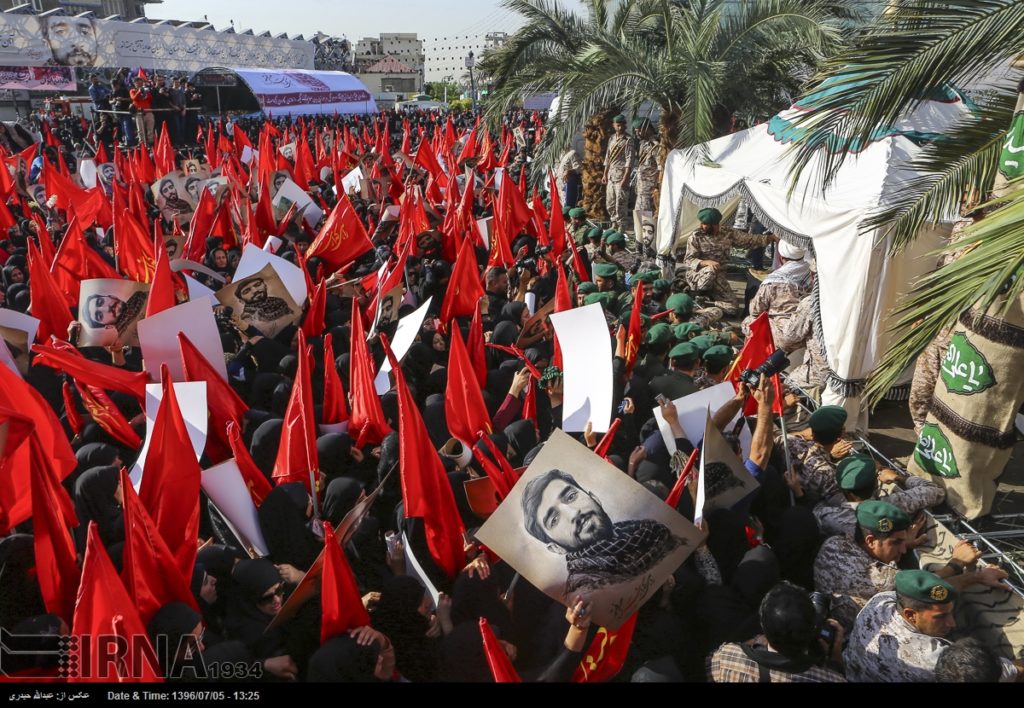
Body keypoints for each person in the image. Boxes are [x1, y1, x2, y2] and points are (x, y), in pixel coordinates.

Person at [520, 468, 687, 597]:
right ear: (556, 548)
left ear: (594, 498)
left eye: (571, 497)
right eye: (554, 520)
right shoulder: (585, 592)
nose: (573, 514)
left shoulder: (653, 533)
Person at [844, 570, 1020, 682]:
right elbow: (1009, 672)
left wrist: (977, 577)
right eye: (941, 617)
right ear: (910, 614)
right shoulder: (929, 659)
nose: (952, 623)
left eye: (951, 613)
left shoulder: (881, 601)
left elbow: (929, 594)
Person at [708, 581, 846, 682]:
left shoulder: (725, 658)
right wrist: (835, 659)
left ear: (763, 626)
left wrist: (754, 642)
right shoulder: (832, 679)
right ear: (813, 628)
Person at [812, 454, 945, 539]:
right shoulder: (892, 505)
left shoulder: (826, 515)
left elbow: (818, 508)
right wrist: (897, 477)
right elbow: (936, 492)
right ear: (876, 483)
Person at [683, 208, 775, 316]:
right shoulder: (695, 236)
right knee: (710, 270)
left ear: (715, 225)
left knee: (732, 309)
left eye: (705, 224)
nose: (701, 226)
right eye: (702, 223)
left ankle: (708, 304)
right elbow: (688, 260)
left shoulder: (727, 233)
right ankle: (697, 297)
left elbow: (749, 240)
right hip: (698, 276)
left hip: (719, 277)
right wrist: (707, 262)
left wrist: (770, 238)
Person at [742, 240, 814, 349]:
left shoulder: (773, 281)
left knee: (749, 320)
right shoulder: (812, 274)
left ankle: (753, 356)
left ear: (781, 257)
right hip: (804, 335)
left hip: (781, 337)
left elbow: (755, 310)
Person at [602, 115, 635, 233]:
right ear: (614, 125)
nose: (620, 127)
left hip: (621, 175)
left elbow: (629, 160)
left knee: (620, 203)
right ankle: (614, 223)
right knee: (610, 202)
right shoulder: (612, 138)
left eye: (622, 125)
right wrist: (605, 174)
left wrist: (626, 178)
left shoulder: (628, 140)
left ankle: (622, 226)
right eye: (618, 125)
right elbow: (608, 157)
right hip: (611, 176)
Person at [83, 290, 148, 340]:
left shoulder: (139, 295)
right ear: (108, 326)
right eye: (100, 316)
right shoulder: (123, 342)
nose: (107, 308)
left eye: (101, 302)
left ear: (112, 296)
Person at [632, 118, 660, 215]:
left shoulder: (655, 145)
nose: (637, 134)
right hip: (641, 187)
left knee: (646, 216)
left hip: (650, 188)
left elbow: (660, 168)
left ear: (647, 129)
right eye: (636, 131)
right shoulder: (643, 144)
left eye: (639, 131)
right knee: (639, 214)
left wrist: (657, 186)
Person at [130, 75, 155, 147]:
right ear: (134, 84)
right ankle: (142, 143)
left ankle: (150, 143)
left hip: (148, 111)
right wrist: (139, 92)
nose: (140, 85)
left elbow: (150, 99)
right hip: (139, 113)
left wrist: (146, 92)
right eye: (138, 83)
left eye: (141, 83)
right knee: (140, 130)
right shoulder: (132, 91)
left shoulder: (145, 89)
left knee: (150, 128)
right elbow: (133, 98)